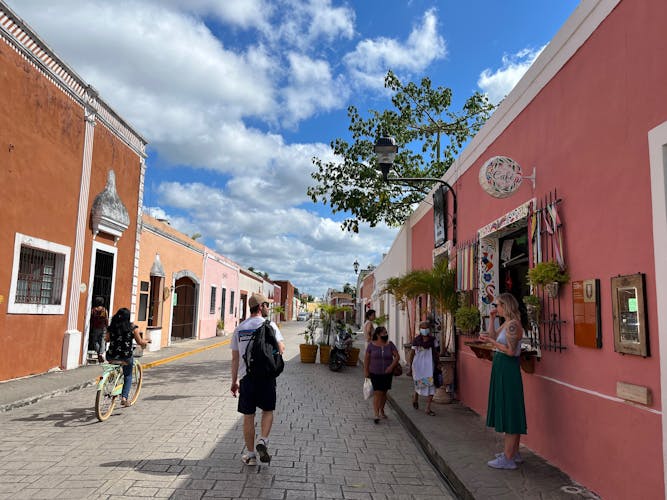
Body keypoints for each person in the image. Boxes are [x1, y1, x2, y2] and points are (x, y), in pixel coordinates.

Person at [231, 293, 285, 466]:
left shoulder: (240, 328)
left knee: (248, 416)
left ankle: (251, 455)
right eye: (267, 305)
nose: (268, 308)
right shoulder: (270, 325)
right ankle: (263, 440)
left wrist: (234, 381)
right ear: (260, 307)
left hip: (247, 378)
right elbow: (281, 349)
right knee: (268, 411)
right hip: (267, 377)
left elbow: (235, 358)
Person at [479, 293, 527, 470]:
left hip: (508, 369)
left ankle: (508, 458)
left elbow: (510, 351)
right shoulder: (507, 323)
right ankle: (513, 453)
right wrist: (491, 320)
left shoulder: (514, 325)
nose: (495, 308)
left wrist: (491, 341)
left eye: (497, 305)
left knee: (511, 411)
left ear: (506, 305)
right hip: (502, 369)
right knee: (509, 409)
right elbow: (494, 336)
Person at [105, 308, 148, 407]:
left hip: (111, 356)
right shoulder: (132, 328)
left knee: (115, 369)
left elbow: (107, 339)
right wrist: (146, 342)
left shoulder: (111, 327)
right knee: (128, 375)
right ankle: (124, 398)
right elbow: (140, 342)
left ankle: (112, 381)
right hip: (125, 358)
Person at [364, 325, 399, 424]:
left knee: (384, 393)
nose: (385, 334)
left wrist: (391, 367)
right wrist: (366, 371)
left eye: (386, 332)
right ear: (378, 334)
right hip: (375, 372)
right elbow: (367, 359)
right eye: (383, 333)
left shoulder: (390, 344)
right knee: (377, 392)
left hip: (387, 373)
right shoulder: (371, 345)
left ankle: (382, 409)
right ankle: (376, 414)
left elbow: (397, 356)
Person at [409, 321, 440, 416]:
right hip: (418, 366)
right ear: (420, 329)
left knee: (431, 385)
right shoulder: (416, 340)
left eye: (426, 327)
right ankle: (415, 397)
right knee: (419, 383)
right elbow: (412, 353)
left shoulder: (433, 340)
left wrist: (438, 363)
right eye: (423, 328)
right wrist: (410, 366)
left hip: (430, 366)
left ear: (429, 329)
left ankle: (428, 408)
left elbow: (437, 352)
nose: (425, 329)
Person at [89, 296, 109, 363]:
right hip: (103, 327)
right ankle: (101, 353)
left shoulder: (93, 310)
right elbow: (106, 319)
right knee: (103, 340)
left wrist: (91, 326)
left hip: (96, 327)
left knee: (95, 341)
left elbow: (91, 319)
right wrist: (107, 326)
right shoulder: (104, 310)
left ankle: (98, 353)